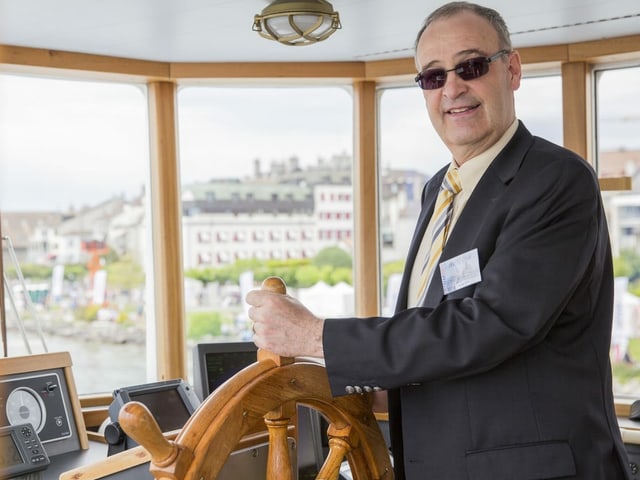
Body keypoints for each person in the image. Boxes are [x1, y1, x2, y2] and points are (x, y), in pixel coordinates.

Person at [246, 2, 632, 479]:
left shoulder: (556, 180)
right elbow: (435, 335)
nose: (452, 88)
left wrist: (316, 336)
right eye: (432, 76)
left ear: (511, 70)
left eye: (471, 66)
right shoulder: (438, 190)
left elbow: (488, 325)